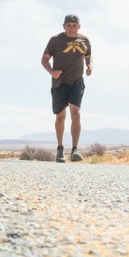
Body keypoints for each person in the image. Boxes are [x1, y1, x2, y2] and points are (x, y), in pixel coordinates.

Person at [40, 14, 92, 163]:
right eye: (68, 25)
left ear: (79, 27)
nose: (71, 28)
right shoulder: (56, 40)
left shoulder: (85, 40)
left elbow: (88, 57)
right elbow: (44, 59)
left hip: (77, 82)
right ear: (64, 26)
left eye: (74, 25)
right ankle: (60, 149)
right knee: (60, 115)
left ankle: (75, 150)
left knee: (76, 113)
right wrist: (52, 72)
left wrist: (89, 67)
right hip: (59, 83)